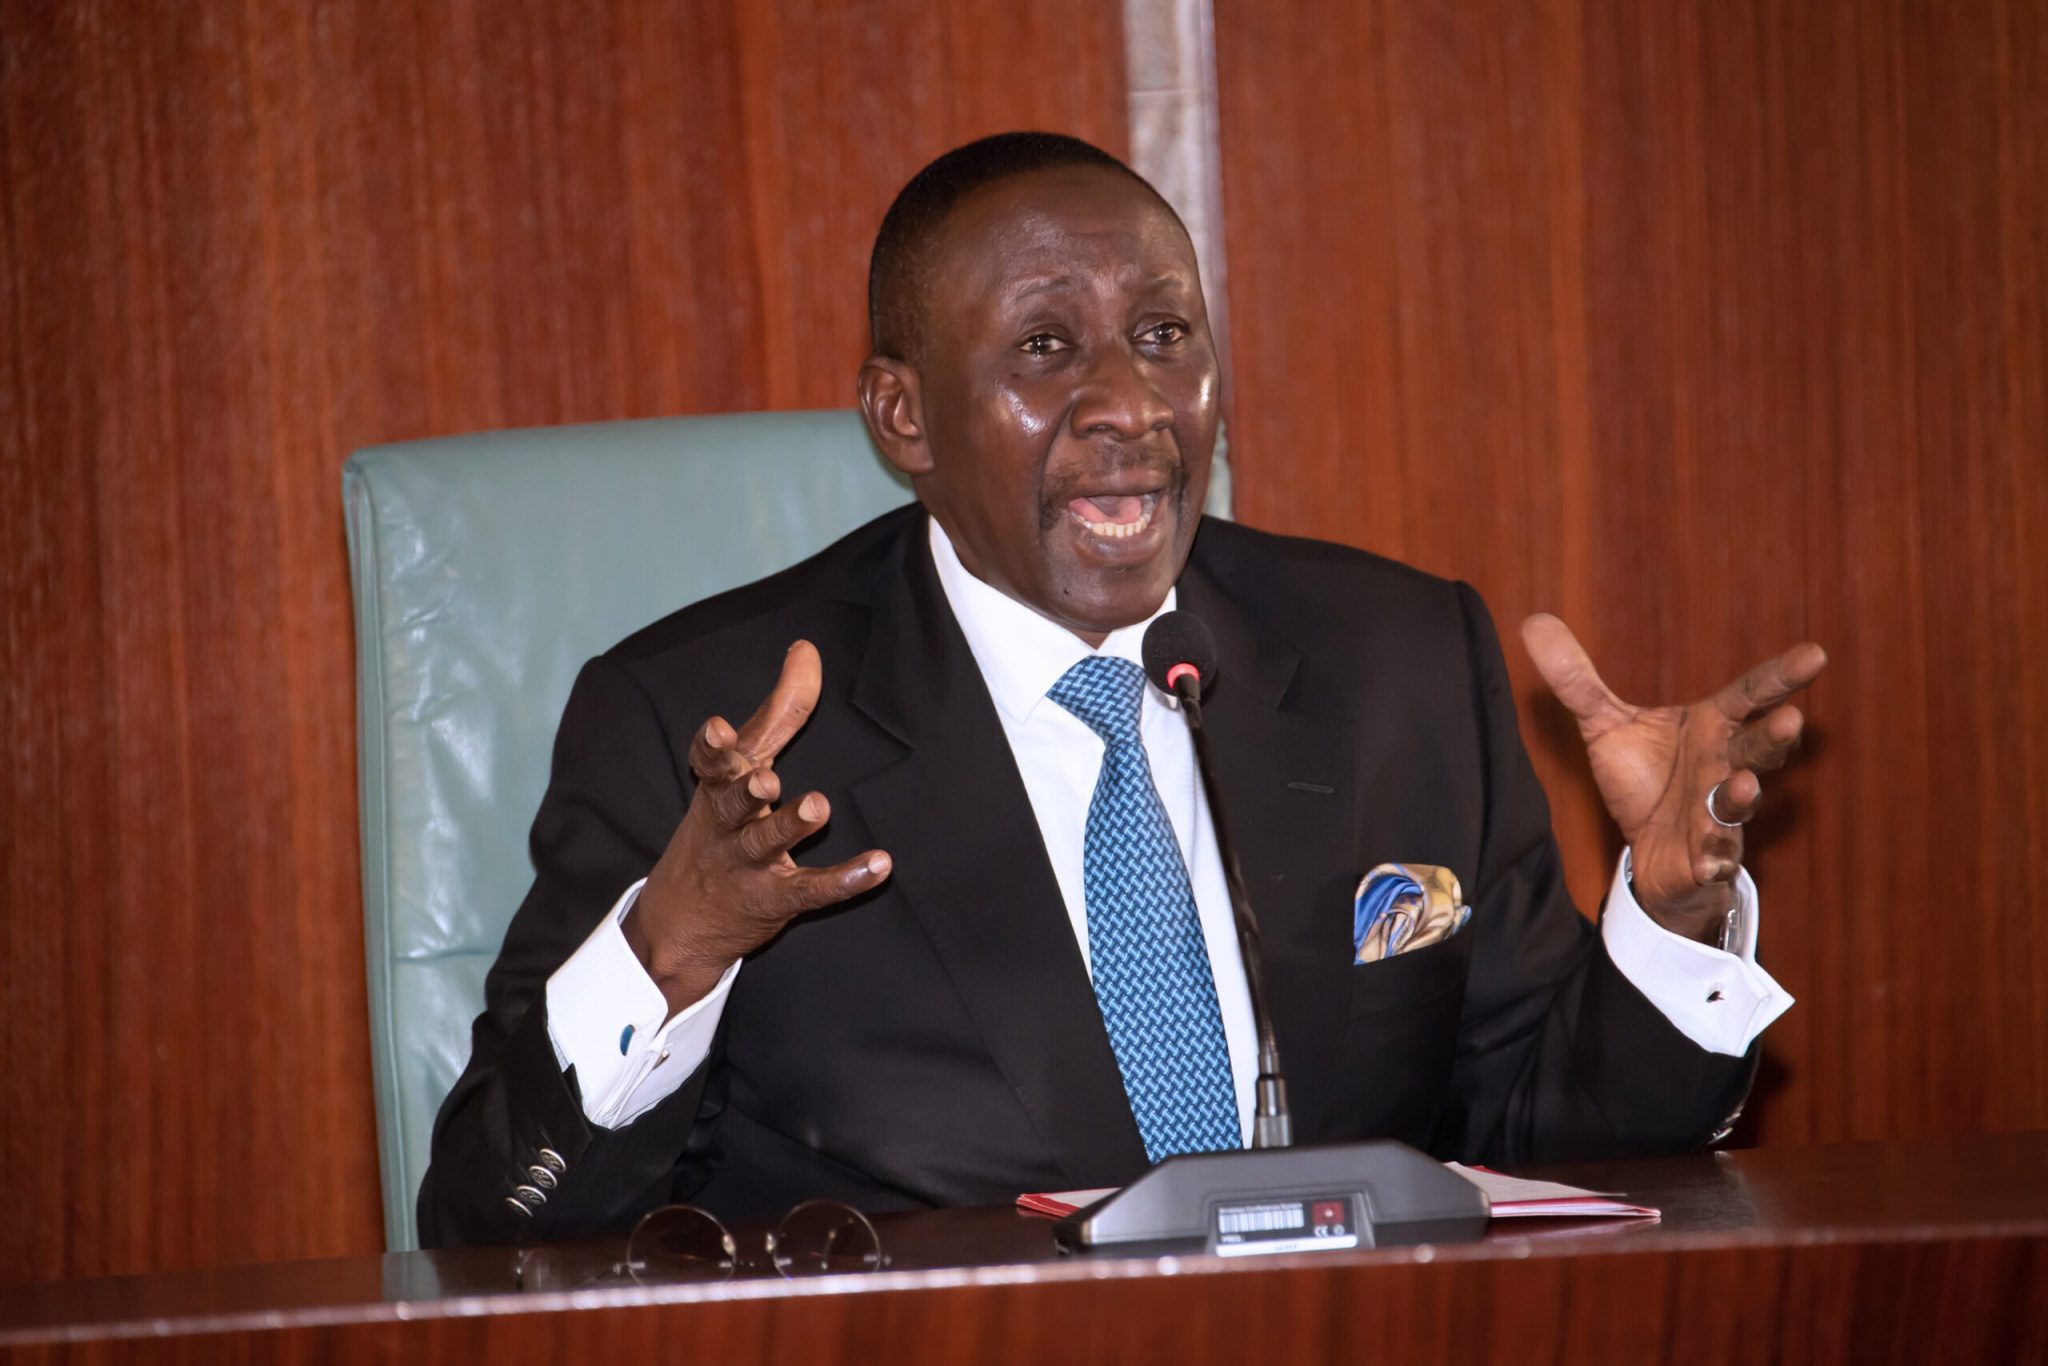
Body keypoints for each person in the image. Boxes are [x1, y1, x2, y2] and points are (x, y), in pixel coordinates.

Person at [417, 132, 1824, 1247]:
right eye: (1046, 348)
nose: (1133, 406)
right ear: (904, 415)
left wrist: (1667, 917)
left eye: (1165, 336)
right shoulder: (707, 730)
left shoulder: (1399, 664)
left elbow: (1557, 1158)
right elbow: (490, 1228)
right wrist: (672, 949)